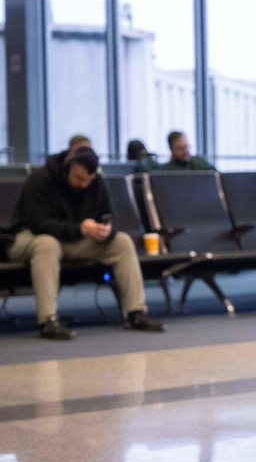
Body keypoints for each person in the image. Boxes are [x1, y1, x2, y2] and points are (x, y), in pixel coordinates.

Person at [7, 146, 166, 340]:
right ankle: (48, 320)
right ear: (67, 169)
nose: (83, 184)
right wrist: (80, 229)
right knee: (47, 244)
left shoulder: (96, 182)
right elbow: (39, 225)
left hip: (70, 240)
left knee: (122, 242)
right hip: (27, 238)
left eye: (87, 180)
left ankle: (136, 313)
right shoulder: (40, 180)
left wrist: (106, 231)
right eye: (79, 178)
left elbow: (111, 217)